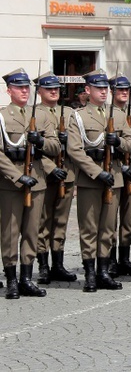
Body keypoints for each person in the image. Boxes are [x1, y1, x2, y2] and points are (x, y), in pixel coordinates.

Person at [67, 68, 131, 292]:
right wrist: (96, 173)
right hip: (90, 179)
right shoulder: (78, 116)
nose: (104, 92)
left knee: (107, 227)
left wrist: (119, 143)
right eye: (99, 88)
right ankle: (89, 274)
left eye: (106, 88)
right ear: (88, 90)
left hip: (113, 177)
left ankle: (104, 272)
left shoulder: (116, 114)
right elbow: (75, 150)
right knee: (89, 228)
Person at [0, 68, 60, 298]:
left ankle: (27, 278)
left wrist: (41, 141)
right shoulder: (3, 117)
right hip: (11, 183)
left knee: (32, 231)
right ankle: (12, 279)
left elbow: (55, 148)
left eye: (27, 87)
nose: (24, 91)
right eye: (19, 87)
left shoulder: (42, 116)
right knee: (10, 232)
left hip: (37, 180)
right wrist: (16, 176)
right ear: (9, 91)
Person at [34, 71, 78, 285]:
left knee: (60, 222)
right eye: (49, 88)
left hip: (67, 173)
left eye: (56, 89)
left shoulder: (70, 113)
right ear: (39, 91)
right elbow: (32, 150)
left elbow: (80, 142)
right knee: (43, 221)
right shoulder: (34, 113)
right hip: (44, 174)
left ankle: (58, 265)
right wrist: (50, 167)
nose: (53, 92)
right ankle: (42, 266)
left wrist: (68, 140)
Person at [107, 73, 131, 278]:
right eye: (120, 89)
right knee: (111, 218)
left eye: (126, 90)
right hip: (114, 171)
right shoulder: (107, 114)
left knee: (127, 219)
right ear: (112, 92)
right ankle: (110, 259)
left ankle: (125, 258)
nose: (124, 93)